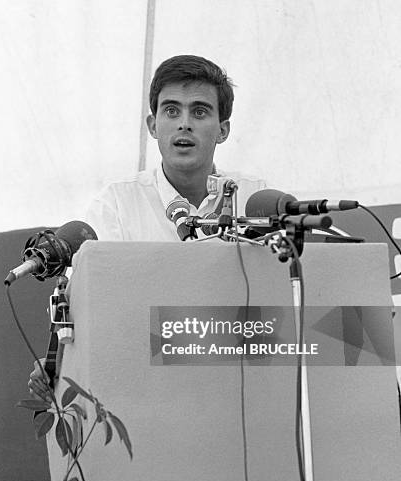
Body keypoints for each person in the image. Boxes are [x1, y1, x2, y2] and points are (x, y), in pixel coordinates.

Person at [28, 54, 266, 399]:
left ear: (223, 129)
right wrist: (61, 360)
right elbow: (91, 303)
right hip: (143, 386)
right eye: (172, 111)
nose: (184, 124)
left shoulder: (255, 197)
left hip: (241, 383)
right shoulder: (117, 205)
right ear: (153, 126)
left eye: (199, 112)